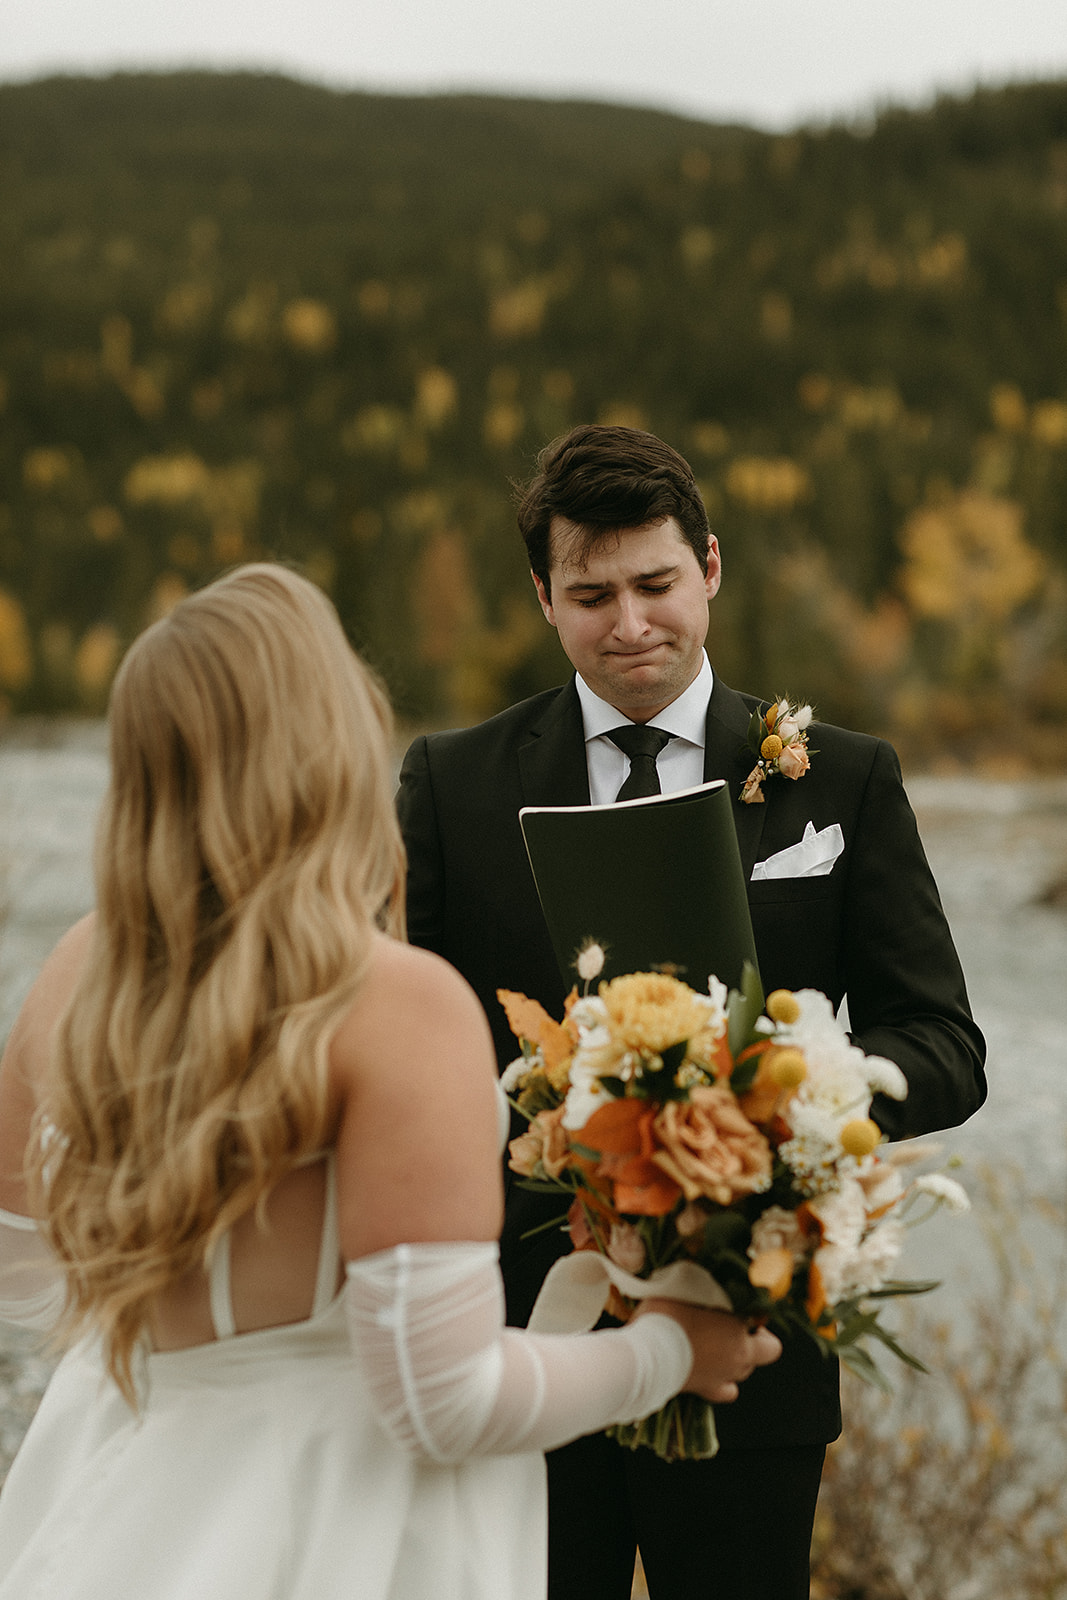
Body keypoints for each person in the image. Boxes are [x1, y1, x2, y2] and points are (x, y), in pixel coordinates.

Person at [0, 563, 782, 1600]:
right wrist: (666, 1352)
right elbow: (441, 1400)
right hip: (337, 1532)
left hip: (114, 1504)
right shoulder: (388, 1003)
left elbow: (25, 1282)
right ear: (329, 744)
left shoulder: (76, 971)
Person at [396, 425, 988, 1600]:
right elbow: (411, 1048)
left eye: (655, 584)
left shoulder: (839, 777)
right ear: (542, 599)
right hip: (520, 1347)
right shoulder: (451, 785)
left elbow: (943, 1044)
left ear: (708, 567)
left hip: (752, 1344)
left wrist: (787, 1097)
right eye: (591, 593)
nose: (629, 624)